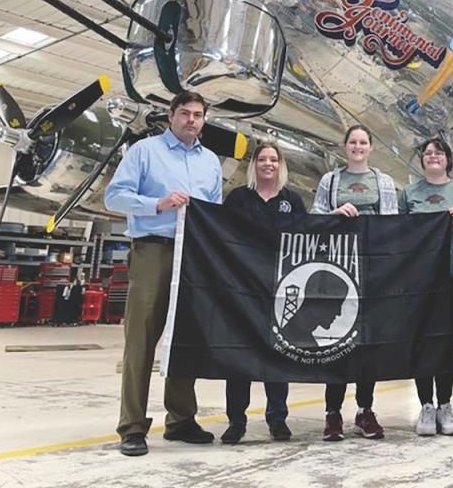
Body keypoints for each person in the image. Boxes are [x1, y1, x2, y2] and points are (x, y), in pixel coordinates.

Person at [104, 91, 223, 457]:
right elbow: (114, 197)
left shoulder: (211, 162)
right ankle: (133, 426)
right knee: (141, 338)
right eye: (184, 113)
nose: (191, 120)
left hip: (193, 255)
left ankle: (181, 419)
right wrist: (157, 203)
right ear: (171, 115)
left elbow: (214, 210)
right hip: (153, 248)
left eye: (198, 114)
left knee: (184, 338)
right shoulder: (144, 151)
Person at [311, 125, 398, 441]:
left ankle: (365, 410)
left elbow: (392, 226)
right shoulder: (330, 180)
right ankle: (332, 413)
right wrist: (334, 213)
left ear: (371, 147)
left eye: (363, 142)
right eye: (353, 142)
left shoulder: (383, 182)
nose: (358, 147)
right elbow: (314, 218)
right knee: (337, 342)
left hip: (372, 272)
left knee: (367, 345)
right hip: (337, 270)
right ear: (344, 147)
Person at [220, 142, 306, 445]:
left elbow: (305, 237)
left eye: (273, 159)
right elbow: (219, 234)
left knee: (277, 353)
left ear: (280, 165)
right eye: (262, 159)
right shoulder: (238, 198)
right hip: (242, 289)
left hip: (279, 289)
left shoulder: (291, 200)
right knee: (239, 357)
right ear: (254, 164)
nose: (268, 164)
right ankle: (236, 420)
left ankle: (277, 418)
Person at [398, 137, 453, 437]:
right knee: (422, 340)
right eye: (427, 153)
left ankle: (445, 403)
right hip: (419, 278)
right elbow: (400, 235)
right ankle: (426, 405)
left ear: (448, 159)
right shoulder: (409, 193)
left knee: (444, 341)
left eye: (438, 152)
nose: (432, 156)